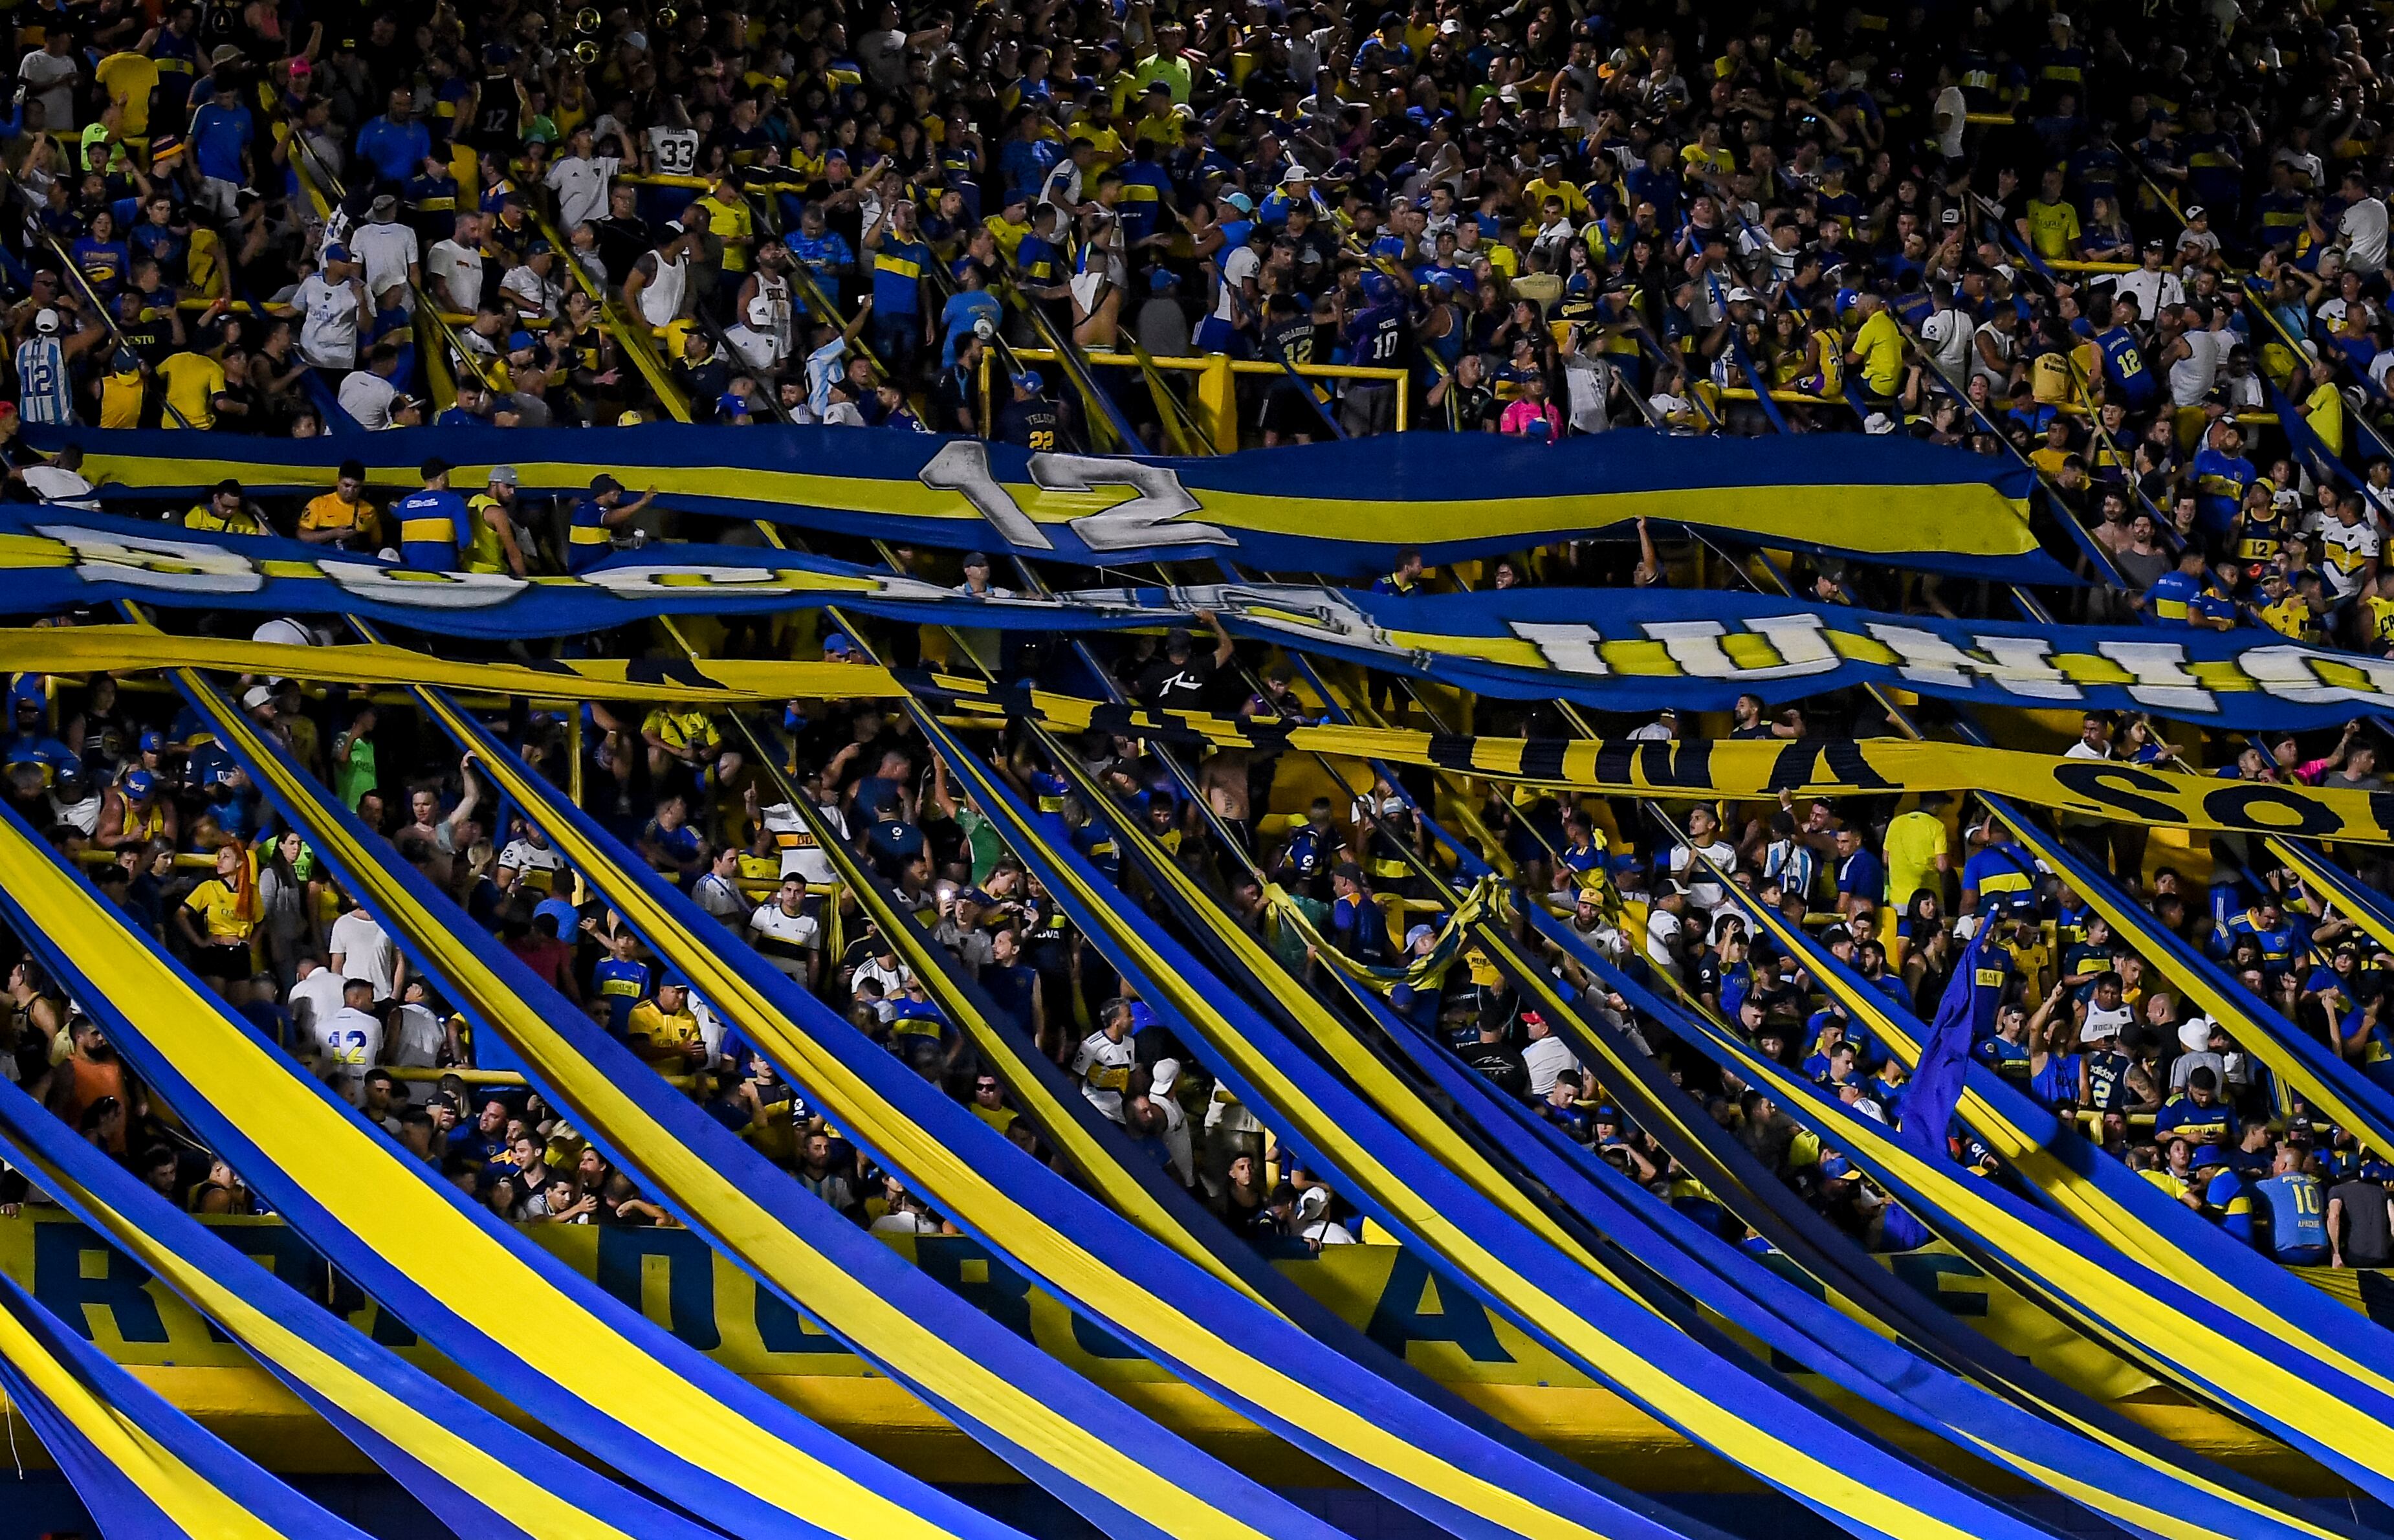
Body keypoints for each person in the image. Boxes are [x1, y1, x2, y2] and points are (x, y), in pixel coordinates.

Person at [393, 459, 470, 571]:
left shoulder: (406, 503)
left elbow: (394, 510)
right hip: (444, 570)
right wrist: (461, 554)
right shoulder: (454, 501)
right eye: (447, 475)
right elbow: (465, 540)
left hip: (410, 569)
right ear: (441, 479)